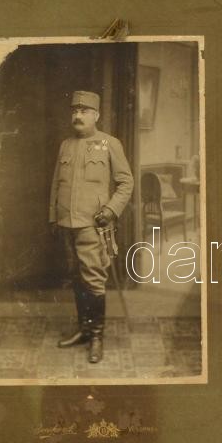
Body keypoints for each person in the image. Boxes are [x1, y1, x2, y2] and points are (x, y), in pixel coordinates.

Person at [48, 90, 134, 364]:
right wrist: (53, 217)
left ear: (96, 115)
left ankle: (96, 336)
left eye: (84, 111)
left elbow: (126, 183)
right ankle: (84, 330)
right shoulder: (66, 145)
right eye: (74, 111)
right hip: (66, 223)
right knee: (77, 278)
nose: (78, 115)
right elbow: (56, 183)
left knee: (94, 280)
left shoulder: (110, 144)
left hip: (92, 225)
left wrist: (109, 211)